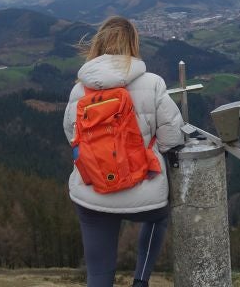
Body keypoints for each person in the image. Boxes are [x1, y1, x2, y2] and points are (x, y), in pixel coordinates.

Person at [63, 16, 184, 287]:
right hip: (144, 194)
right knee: (159, 216)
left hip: (92, 194)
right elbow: (171, 138)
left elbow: (72, 136)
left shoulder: (78, 91)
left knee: (98, 275)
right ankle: (141, 280)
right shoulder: (153, 83)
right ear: (133, 44)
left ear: (97, 46)